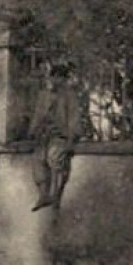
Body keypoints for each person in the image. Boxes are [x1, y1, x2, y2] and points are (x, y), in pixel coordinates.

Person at [27, 60, 82, 212]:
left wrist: (71, 137)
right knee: (38, 159)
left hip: (61, 137)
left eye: (59, 78)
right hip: (45, 136)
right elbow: (38, 116)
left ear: (64, 79)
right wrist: (33, 131)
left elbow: (74, 118)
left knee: (55, 157)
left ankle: (55, 195)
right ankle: (44, 194)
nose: (55, 80)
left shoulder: (70, 96)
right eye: (53, 77)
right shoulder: (44, 96)